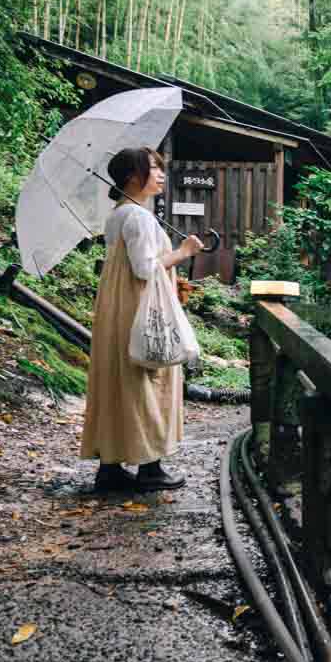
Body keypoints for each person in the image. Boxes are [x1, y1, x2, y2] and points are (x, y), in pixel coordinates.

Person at [79, 147, 204, 492]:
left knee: (119, 381)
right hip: (140, 308)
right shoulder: (140, 218)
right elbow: (145, 268)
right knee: (150, 379)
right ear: (133, 176)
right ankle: (150, 468)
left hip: (118, 307)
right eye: (154, 168)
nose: (162, 174)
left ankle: (111, 467)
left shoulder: (119, 214)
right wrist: (182, 253)